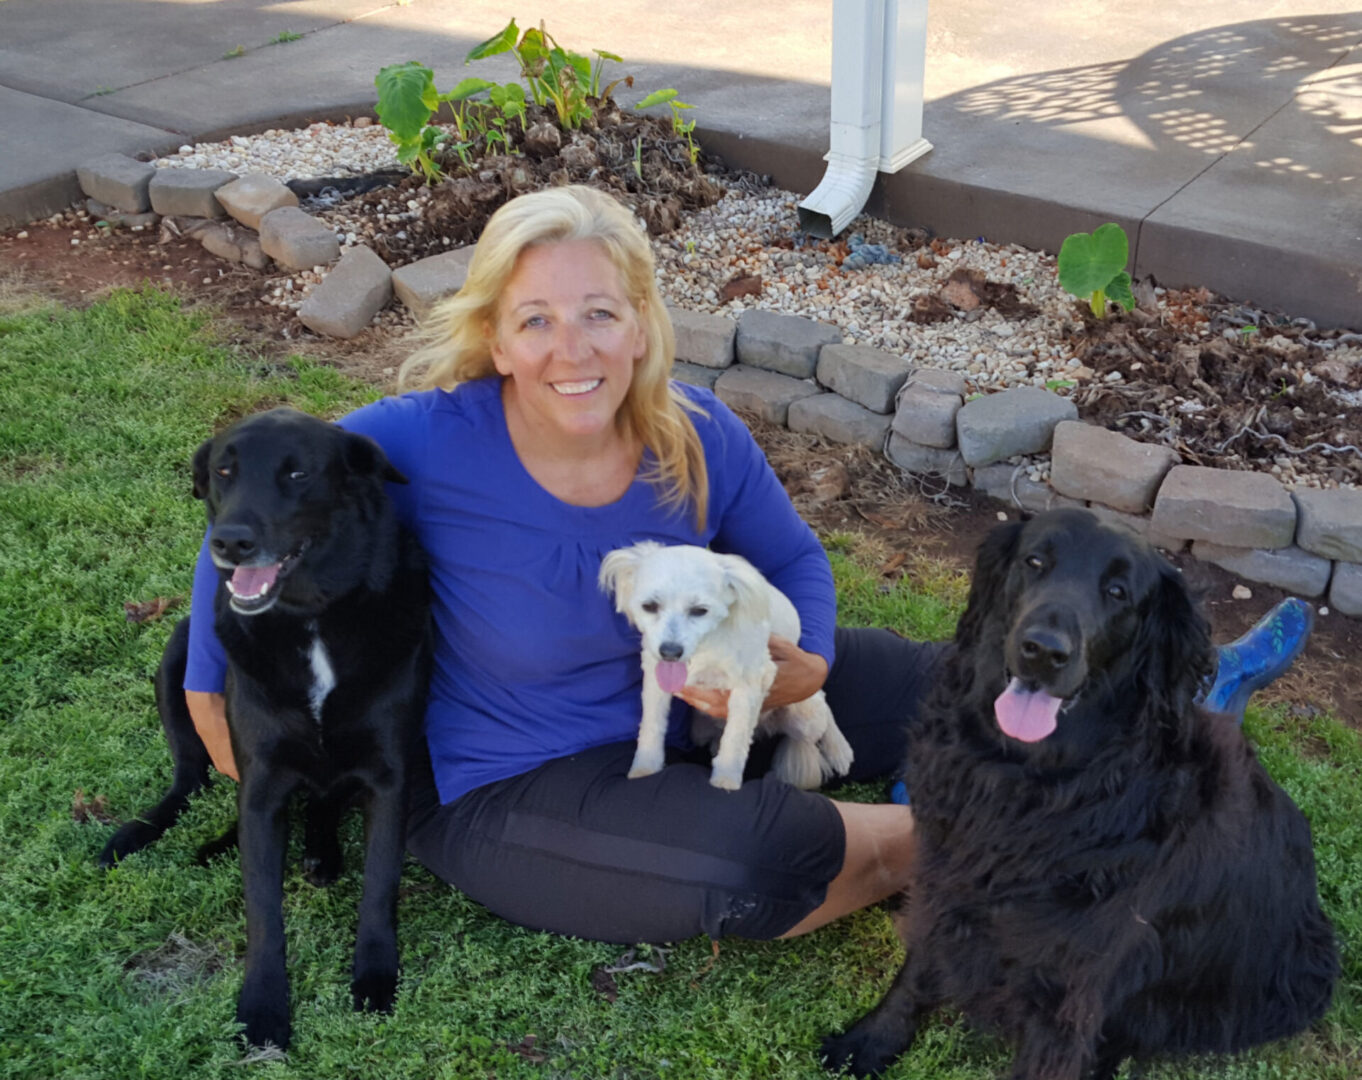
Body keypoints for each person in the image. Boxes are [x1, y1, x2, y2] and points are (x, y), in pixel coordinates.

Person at [183, 184, 1310, 945]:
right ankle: (1002, 841)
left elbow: (790, 556)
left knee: (963, 685)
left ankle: (1154, 755)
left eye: (597, 314)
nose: (569, 350)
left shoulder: (695, 429)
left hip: (709, 697)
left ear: (639, 323)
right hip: (516, 779)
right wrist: (208, 687)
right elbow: (261, 494)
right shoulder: (424, 437)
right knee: (769, 861)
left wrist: (804, 661)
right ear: (493, 331)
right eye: (533, 321)